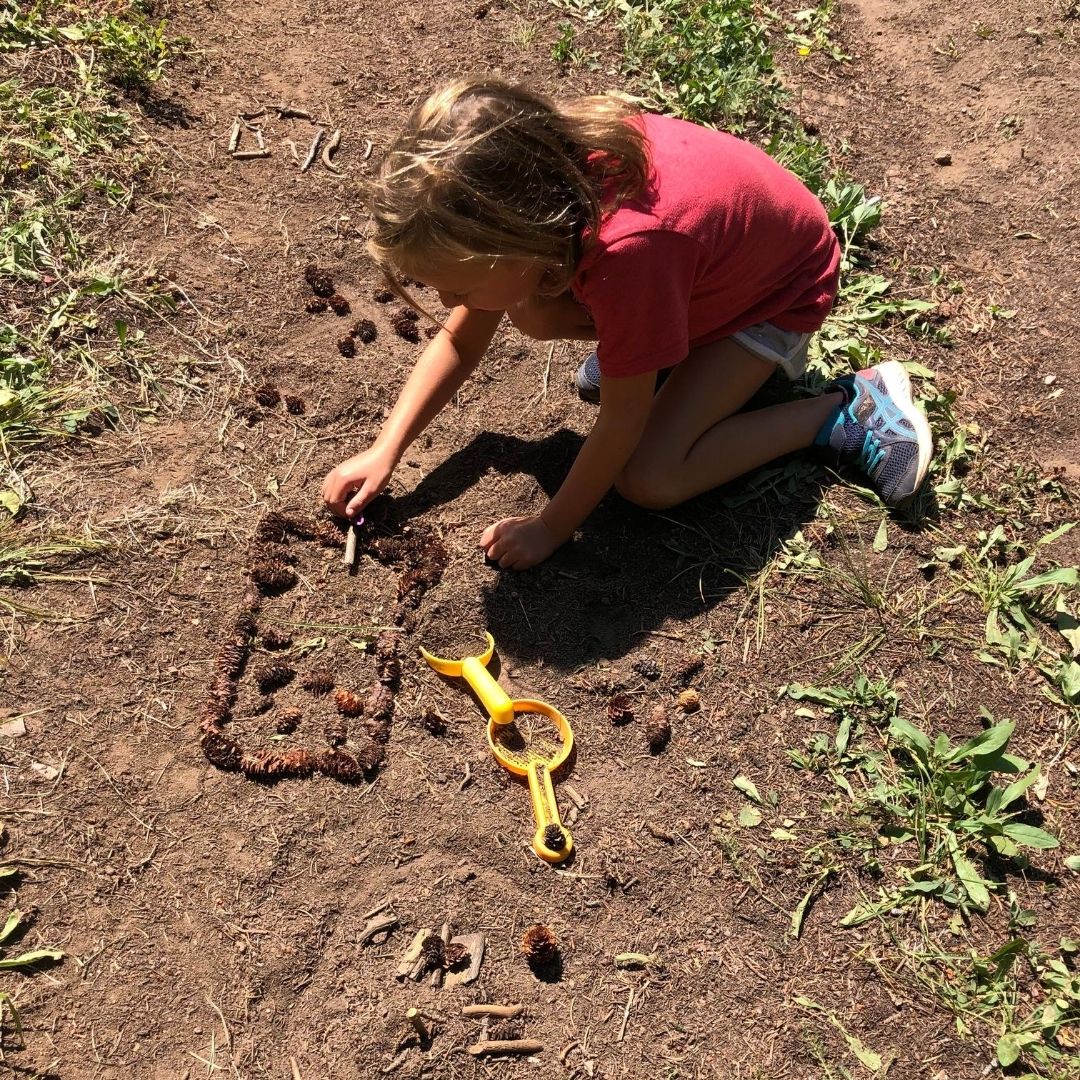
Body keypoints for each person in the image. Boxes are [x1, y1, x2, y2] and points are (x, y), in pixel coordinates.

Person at [322, 79, 933, 570]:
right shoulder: (541, 184)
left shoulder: (630, 254)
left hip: (776, 294)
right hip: (703, 274)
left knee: (649, 476)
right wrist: (386, 449)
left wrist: (550, 527)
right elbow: (460, 337)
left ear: (518, 239)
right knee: (530, 313)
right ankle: (655, 348)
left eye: (458, 283)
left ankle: (842, 410)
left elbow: (621, 421)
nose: (451, 300)